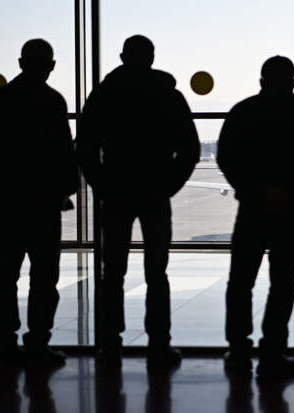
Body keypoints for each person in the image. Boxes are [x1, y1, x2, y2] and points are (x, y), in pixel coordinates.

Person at [77, 35, 200, 370]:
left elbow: (85, 147)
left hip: (116, 189)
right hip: (154, 190)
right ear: (152, 58)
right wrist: (168, 185)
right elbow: (189, 149)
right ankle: (159, 344)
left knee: (112, 272)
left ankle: (110, 345)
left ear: (122, 57)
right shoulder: (168, 95)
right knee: (157, 272)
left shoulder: (104, 94)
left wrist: (102, 184)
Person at [218, 56, 294, 377]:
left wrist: (253, 189)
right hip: (293, 208)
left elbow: (226, 157)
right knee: (284, 283)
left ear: (261, 81)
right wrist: (289, 188)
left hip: (252, 206)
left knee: (241, 281)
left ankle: (238, 350)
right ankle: (272, 352)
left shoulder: (243, 112)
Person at [0, 39, 78, 366]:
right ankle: (37, 343)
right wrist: (62, 188)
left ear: (20, 62)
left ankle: (4, 343)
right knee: (44, 278)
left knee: (5, 276)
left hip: (9, 202)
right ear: (51, 66)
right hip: (44, 204)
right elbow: (64, 153)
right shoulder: (53, 101)